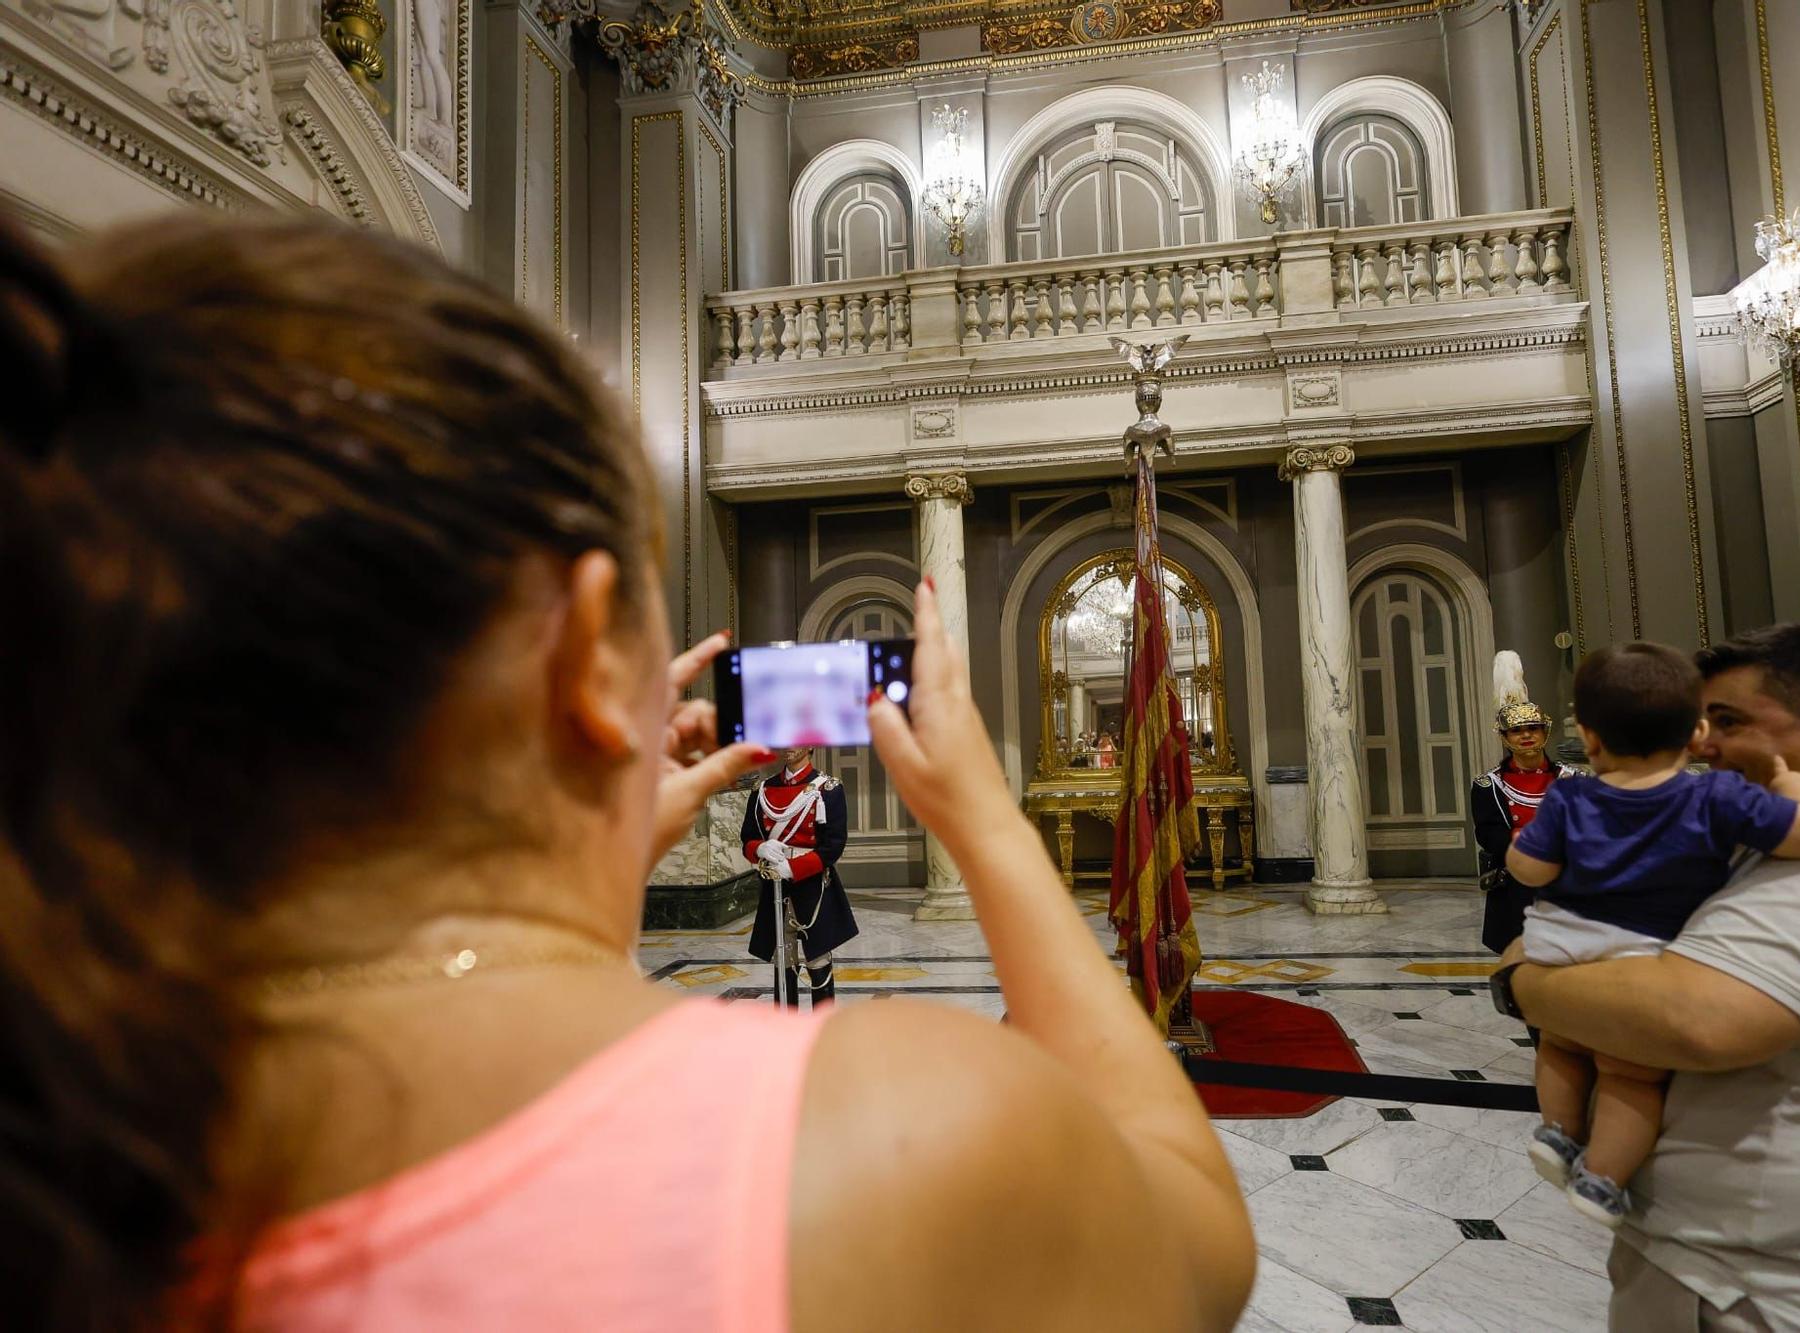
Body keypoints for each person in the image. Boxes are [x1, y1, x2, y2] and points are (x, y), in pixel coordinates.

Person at [0, 217, 1256, 1331]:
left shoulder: (73, 1136)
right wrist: (985, 824)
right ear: (592, 651)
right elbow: (1199, 1236)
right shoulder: (898, 1137)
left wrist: (573, 863)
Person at [1489, 623, 1800, 1331]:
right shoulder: (1784, 836)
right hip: (1749, 1277)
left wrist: (1521, 977)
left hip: (1780, 1297)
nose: (1703, 743)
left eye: (1727, 721)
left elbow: (1691, 1021)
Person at [1502, 642, 1800, 1227]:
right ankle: (1603, 1178)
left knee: (1561, 1041)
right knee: (1631, 1074)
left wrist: (1529, 854)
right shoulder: (1716, 797)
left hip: (1560, 946)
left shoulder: (1570, 796)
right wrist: (1792, 782)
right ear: (1697, 733)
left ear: (1588, 738)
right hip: (1642, 953)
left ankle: (1557, 1133)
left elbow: (1529, 870)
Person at [1472, 650, 1582, 954]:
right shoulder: (1488, 785)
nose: (1526, 736)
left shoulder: (1572, 778)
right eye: (1517, 731)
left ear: (1545, 731)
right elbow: (1489, 834)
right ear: (1505, 737)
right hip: (1514, 886)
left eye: (1533, 728)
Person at [743, 745, 857, 1006]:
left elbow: (833, 846)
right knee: (782, 956)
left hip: (813, 884)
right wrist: (759, 848)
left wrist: (794, 868)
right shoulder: (763, 789)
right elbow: (747, 838)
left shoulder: (828, 789)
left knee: (818, 958)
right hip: (775, 884)